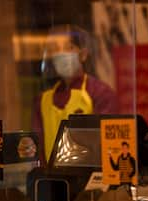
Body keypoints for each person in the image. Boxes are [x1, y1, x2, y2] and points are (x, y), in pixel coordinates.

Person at [32, 24, 119, 165]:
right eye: (54, 49)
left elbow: (109, 148)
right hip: (51, 181)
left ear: (83, 54)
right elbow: (37, 150)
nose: (61, 54)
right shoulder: (42, 101)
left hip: (90, 181)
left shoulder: (101, 94)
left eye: (69, 47)